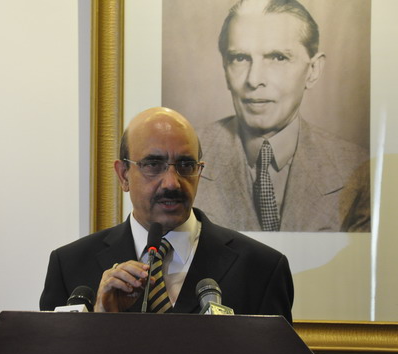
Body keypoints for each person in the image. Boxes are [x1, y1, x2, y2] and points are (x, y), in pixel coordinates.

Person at [40, 107, 293, 322]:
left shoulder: (262, 268)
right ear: (123, 175)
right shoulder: (70, 266)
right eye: (152, 165)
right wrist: (100, 318)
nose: (172, 183)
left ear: (199, 172)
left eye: (185, 165)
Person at [193, 0, 370, 232]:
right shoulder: (180, 160)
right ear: (225, 69)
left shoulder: (359, 169)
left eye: (277, 57)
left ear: (313, 71)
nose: (254, 80)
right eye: (240, 58)